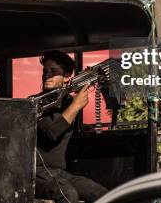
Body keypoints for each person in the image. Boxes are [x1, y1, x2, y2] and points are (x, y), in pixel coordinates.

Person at [33, 50, 107, 203]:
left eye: (53, 71)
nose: (47, 75)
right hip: (35, 173)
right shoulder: (34, 103)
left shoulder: (67, 102)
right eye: (45, 71)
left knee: (101, 193)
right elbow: (51, 133)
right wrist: (76, 106)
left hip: (58, 172)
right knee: (67, 194)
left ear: (67, 77)